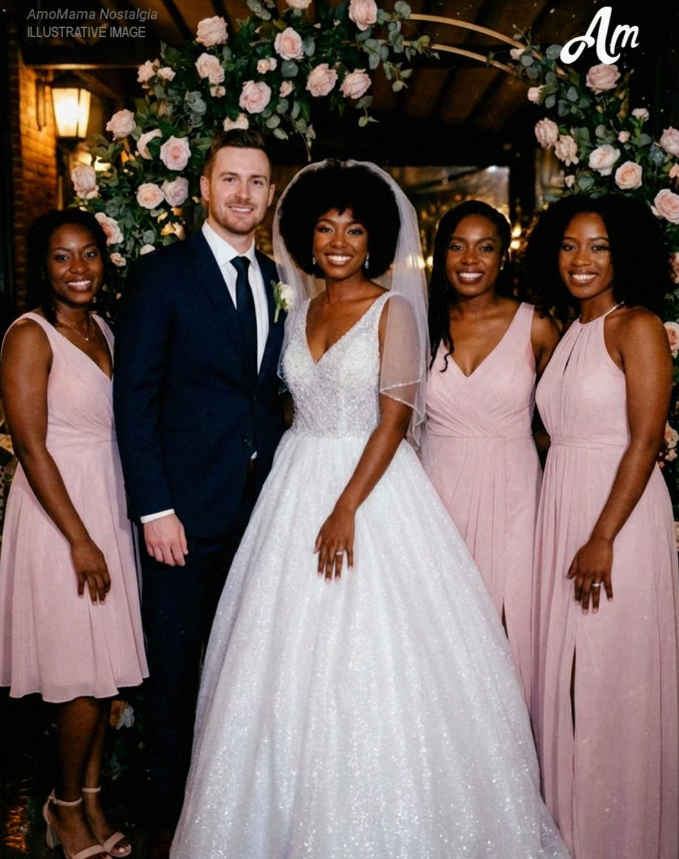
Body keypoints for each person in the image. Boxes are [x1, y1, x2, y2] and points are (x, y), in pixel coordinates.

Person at [169, 161, 570, 859]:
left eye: (354, 230)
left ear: (375, 240)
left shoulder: (395, 312)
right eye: (326, 228)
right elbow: (285, 405)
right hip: (297, 482)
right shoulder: (297, 310)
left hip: (372, 487)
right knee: (278, 656)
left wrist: (346, 507)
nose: (338, 242)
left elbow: (394, 419)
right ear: (306, 236)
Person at [112, 129, 286, 854]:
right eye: (231, 179)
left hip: (261, 508)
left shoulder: (277, 277)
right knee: (177, 671)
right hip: (182, 515)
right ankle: (176, 820)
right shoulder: (162, 275)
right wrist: (155, 507)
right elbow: (134, 398)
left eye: (257, 181)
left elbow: (266, 394)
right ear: (205, 188)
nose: (244, 193)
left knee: (244, 664)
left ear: (270, 195)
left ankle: (232, 811)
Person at [525, 194, 679, 859]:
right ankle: (573, 832)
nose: (580, 260)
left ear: (624, 255)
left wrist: (603, 535)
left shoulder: (635, 326)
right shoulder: (570, 329)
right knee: (568, 682)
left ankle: (621, 840)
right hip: (564, 509)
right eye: (568, 246)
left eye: (598, 246)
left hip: (617, 521)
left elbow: (644, 439)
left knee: (611, 680)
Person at [0, 209, 147, 859]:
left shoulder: (104, 328)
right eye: (62, 257)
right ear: (43, 267)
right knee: (79, 676)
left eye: (89, 253)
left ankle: (89, 799)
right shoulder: (30, 336)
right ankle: (61, 805)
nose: (79, 268)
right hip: (61, 515)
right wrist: (80, 539)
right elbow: (31, 447)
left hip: (107, 501)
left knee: (105, 671)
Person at [420, 200, 559, 704]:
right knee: (438, 626)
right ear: (440, 254)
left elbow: (562, 421)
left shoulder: (537, 326)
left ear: (504, 257)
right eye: (457, 246)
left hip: (514, 495)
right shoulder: (420, 326)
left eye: (485, 247)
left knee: (508, 621)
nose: (469, 259)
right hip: (435, 492)